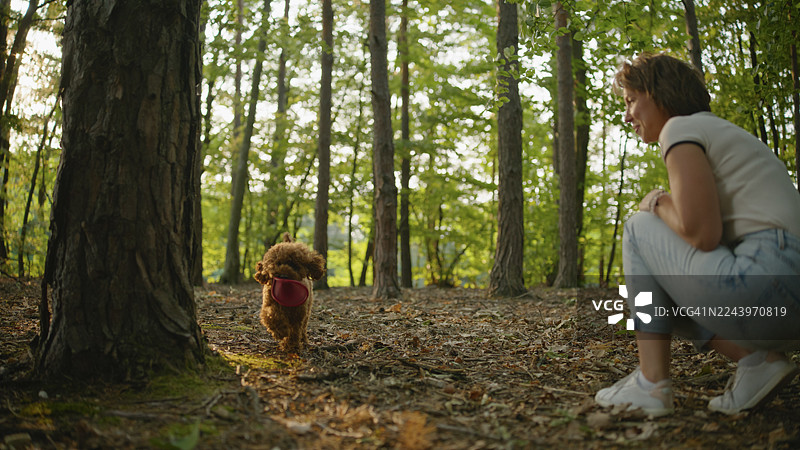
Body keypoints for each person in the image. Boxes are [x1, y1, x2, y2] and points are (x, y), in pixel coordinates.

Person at [594, 53, 800, 417]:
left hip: (769, 280)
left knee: (639, 228)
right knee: (660, 284)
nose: (626, 116)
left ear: (657, 94)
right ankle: (757, 362)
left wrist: (658, 201)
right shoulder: (720, 133)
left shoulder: (680, 128)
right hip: (784, 296)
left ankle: (650, 383)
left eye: (630, 101)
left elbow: (702, 234)